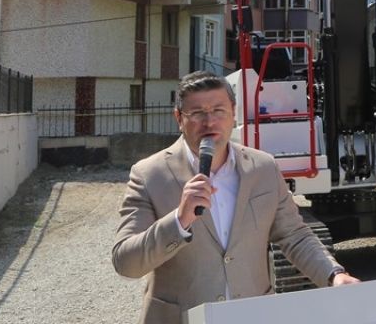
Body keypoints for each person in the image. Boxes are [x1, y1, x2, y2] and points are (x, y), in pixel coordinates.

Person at [112, 71, 360, 323]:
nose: (209, 122)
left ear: (234, 112)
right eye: (197, 113)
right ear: (179, 118)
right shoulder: (149, 175)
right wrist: (179, 220)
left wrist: (334, 275)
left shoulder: (263, 167)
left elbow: (295, 236)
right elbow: (126, 262)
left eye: (218, 110)